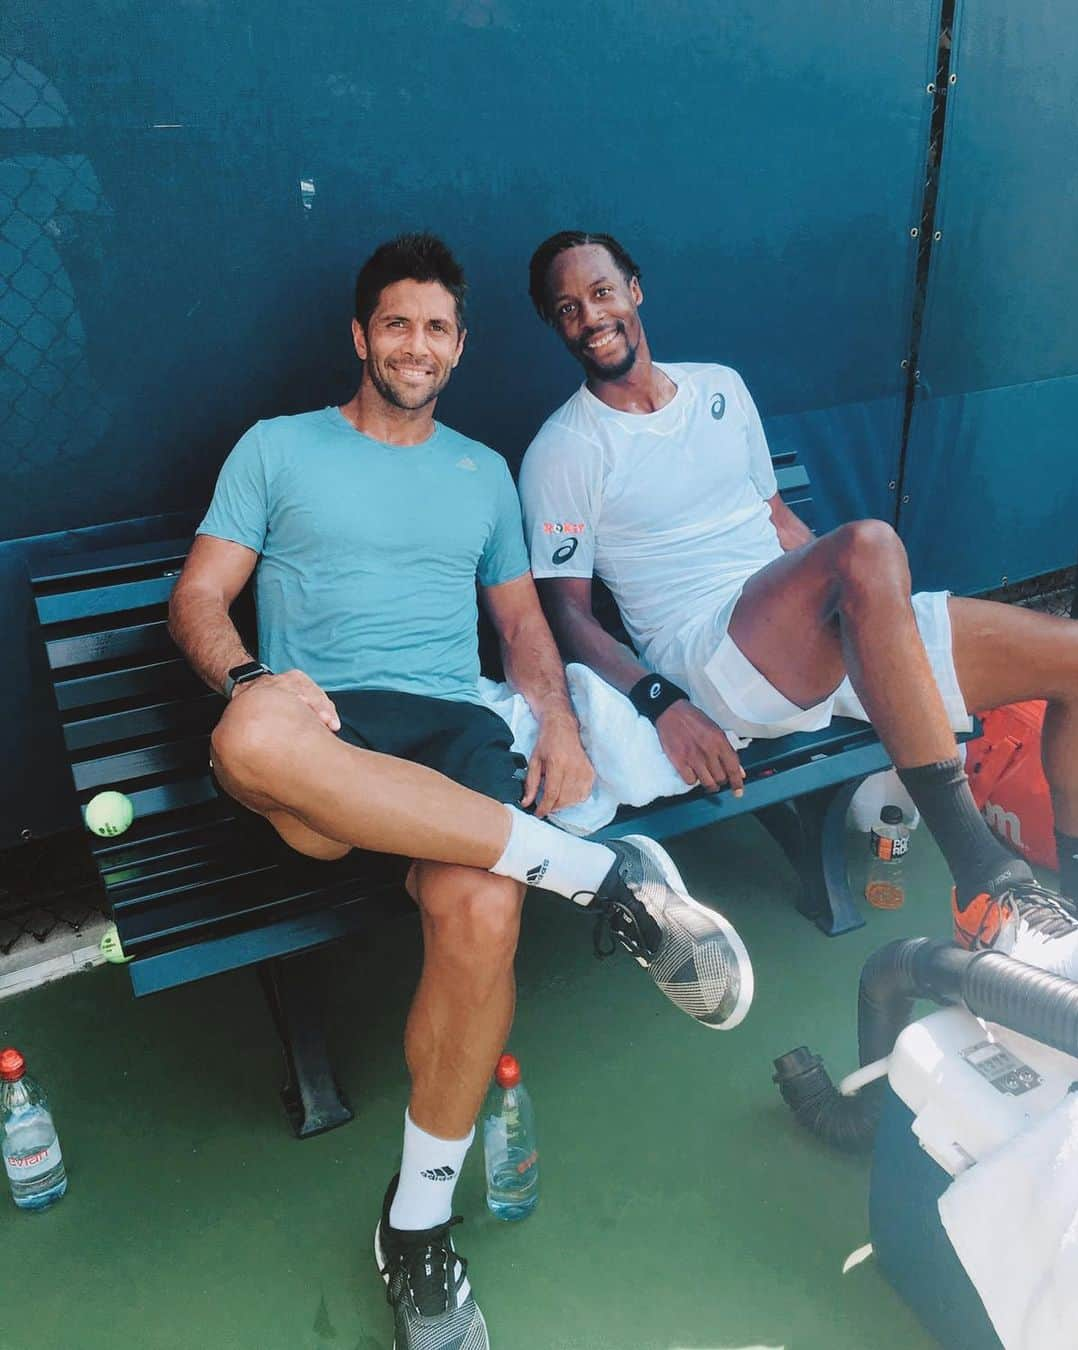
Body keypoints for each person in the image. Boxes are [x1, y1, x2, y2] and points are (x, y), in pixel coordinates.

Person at [168, 233, 753, 1350]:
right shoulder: (276, 449)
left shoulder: (484, 473)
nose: (417, 345)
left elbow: (527, 625)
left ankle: (417, 1225)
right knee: (247, 739)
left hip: (452, 727)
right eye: (397, 323)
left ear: (462, 345)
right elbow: (200, 597)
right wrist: (251, 674)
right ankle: (599, 878)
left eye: (438, 327)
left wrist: (564, 731)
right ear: (360, 336)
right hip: (323, 724)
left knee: (485, 907)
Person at [520, 228, 1078, 979]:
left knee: (1072, 661)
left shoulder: (720, 386)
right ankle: (986, 885)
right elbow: (569, 615)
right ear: (554, 327)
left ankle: (1068, 903)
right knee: (869, 545)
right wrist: (663, 702)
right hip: (711, 653)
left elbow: (781, 524)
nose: (590, 317)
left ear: (634, 290)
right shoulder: (563, 450)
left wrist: (880, 626)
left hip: (811, 629)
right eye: (566, 309)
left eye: (600, 292)